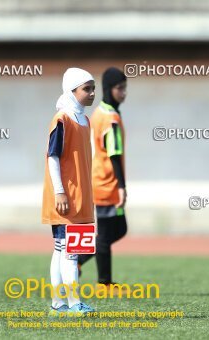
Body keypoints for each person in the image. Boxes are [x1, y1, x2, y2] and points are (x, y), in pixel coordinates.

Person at [42, 68, 96, 316]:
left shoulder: (85, 119)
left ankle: (58, 303)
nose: (92, 93)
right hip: (66, 198)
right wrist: (60, 192)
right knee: (70, 252)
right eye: (87, 88)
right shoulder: (62, 119)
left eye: (93, 88)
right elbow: (52, 157)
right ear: (72, 91)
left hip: (82, 197)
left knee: (61, 249)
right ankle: (74, 303)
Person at [78, 67, 128, 287]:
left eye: (125, 88)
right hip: (108, 183)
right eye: (120, 88)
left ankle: (78, 262)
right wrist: (121, 187)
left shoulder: (98, 112)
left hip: (99, 181)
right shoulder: (111, 118)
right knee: (108, 234)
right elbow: (114, 154)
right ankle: (104, 284)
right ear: (109, 89)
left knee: (117, 230)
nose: (124, 92)